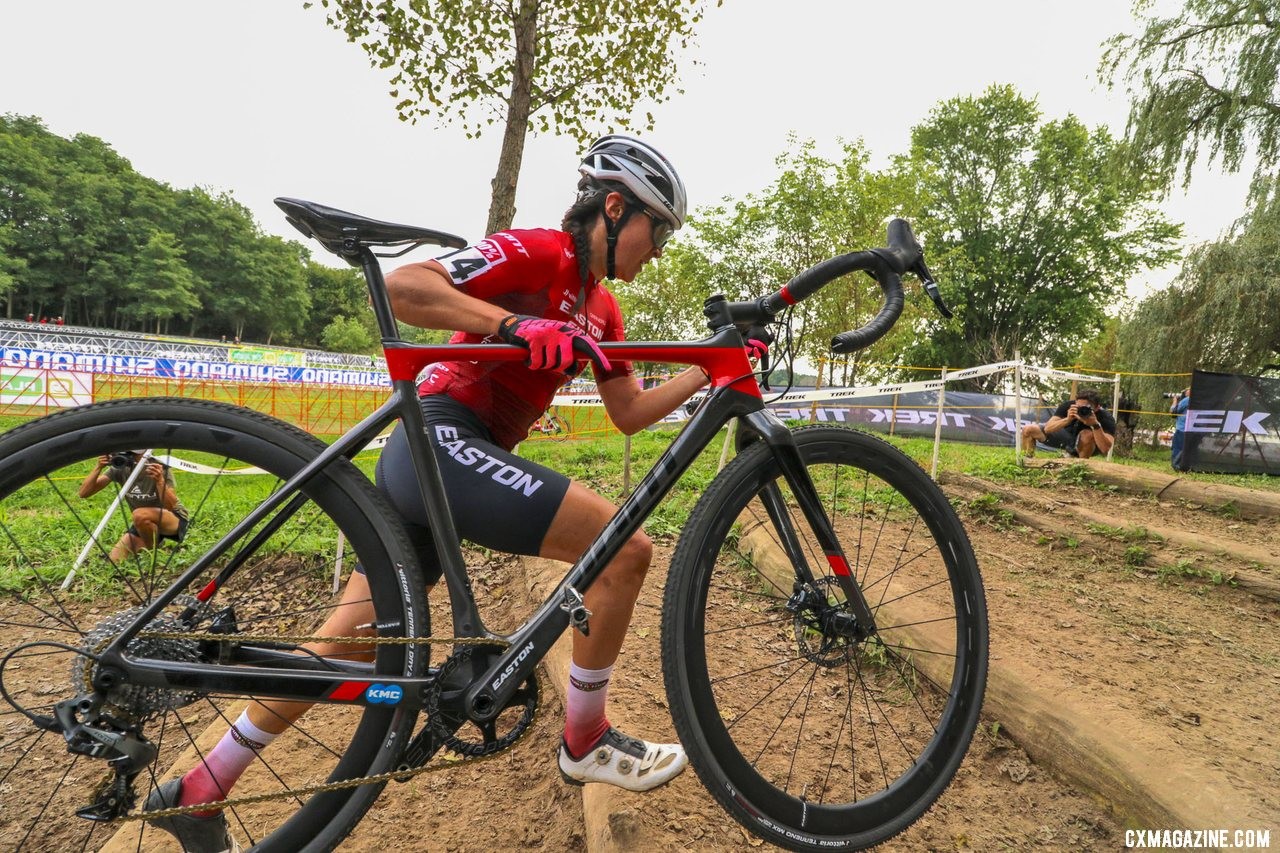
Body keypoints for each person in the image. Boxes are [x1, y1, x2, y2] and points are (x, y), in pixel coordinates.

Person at [146, 135, 759, 851]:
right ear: (615, 208)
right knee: (624, 550)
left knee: (341, 647)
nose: (660, 250)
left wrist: (715, 371)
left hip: (459, 463)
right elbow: (410, 288)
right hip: (439, 439)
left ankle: (201, 784)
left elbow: (627, 411)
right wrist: (512, 323)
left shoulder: (605, 311)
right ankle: (586, 736)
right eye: (659, 230)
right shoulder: (539, 253)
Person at [77, 451, 190, 564]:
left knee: (139, 514)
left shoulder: (158, 467)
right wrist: (98, 467)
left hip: (172, 519)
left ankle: (156, 552)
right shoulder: (121, 467)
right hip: (142, 523)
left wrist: (160, 481)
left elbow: (170, 506)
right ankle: (152, 545)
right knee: (115, 560)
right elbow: (84, 493)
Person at [1020, 388, 1116, 459]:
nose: (1081, 410)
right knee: (1028, 429)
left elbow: (1105, 449)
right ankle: (1027, 461)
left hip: (1089, 445)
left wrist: (1095, 425)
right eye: (1078, 406)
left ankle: (1080, 467)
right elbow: (1047, 429)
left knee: (1087, 435)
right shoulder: (1069, 406)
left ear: (1097, 408)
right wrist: (1067, 419)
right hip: (1066, 438)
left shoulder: (1105, 417)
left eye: (1085, 408)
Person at [1170, 387, 1191, 471]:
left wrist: (1175, 401)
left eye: (1187, 389)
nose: (1185, 391)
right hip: (1191, 431)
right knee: (1187, 449)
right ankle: (1186, 467)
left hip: (1181, 429)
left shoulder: (1187, 400)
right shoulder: (1198, 400)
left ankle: (1176, 466)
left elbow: (1173, 413)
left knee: (1178, 448)